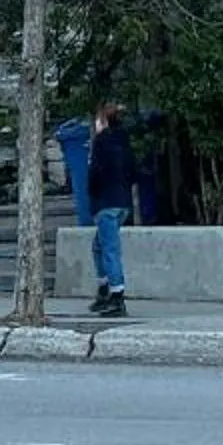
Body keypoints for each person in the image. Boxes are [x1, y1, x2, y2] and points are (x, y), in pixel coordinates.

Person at [86, 101, 135, 317]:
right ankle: (104, 288)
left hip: (106, 203)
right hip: (122, 202)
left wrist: (93, 195)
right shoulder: (124, 140)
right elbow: (133, 169)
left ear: (103, 121)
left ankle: (116, 296)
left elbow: (94, 173)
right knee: (99, 246)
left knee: (109, 249)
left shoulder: (101, 142)